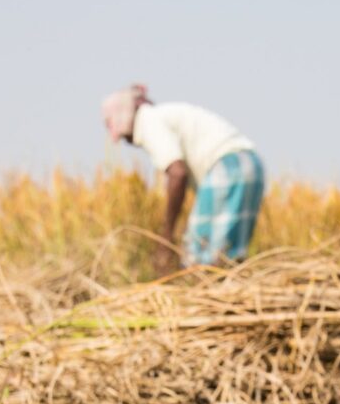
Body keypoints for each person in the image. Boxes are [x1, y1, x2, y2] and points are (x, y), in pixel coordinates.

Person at [101, 85, 265, 274]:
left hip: (226, 168)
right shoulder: (164, 115)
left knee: (200, 258)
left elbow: (178, 173)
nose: (126, 142)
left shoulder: (148, 122)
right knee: (229, 255)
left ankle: (201, 297)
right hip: (251, 166)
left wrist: (166, 237)